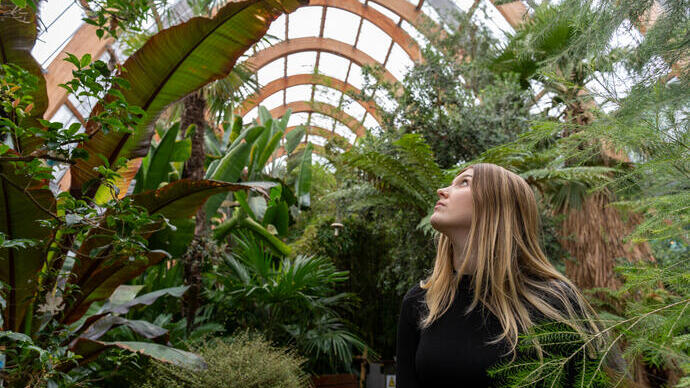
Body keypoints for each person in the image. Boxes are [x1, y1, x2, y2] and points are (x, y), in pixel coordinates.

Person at [395, 163, 606, 388]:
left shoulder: (553, 302)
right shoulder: (422, 301)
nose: (442, 190)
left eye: (464, 182)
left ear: (498, 205)